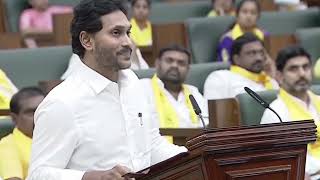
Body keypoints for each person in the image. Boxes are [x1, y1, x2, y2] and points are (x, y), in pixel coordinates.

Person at [27, 0, 186, 179]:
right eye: (116, 33)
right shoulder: (61, 103)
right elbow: (38, 174)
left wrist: (194, 156)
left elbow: (152, 146)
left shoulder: (134, 83)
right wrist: (91, 177)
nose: (128, 43)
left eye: (128, 33)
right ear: (87, 40)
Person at [260, 45, 320, 180]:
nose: (302, 74)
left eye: (305, 67)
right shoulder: (275, 113)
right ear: (279, 76)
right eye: (294, 69)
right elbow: (275, 162)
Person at [139, 44, 208, 135]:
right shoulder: (143, 87)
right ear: (157, 63)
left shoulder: (193, 92)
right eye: (169, 61)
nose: (175, 66)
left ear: (188, 69)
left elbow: (206, 123)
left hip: (193, 146)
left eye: (181, 63)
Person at [204, 33, 278, 100]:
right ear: (236, 59)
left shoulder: (270, 81)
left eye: (261, 53)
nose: (259, 58)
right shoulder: (220, 78)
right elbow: (214, 112)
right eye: (252, 53)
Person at [0, 87, 45, 180]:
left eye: (43, 110)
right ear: (14, 118)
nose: (39, 116)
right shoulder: (8, 144)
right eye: (31, 112)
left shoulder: (60, 136)